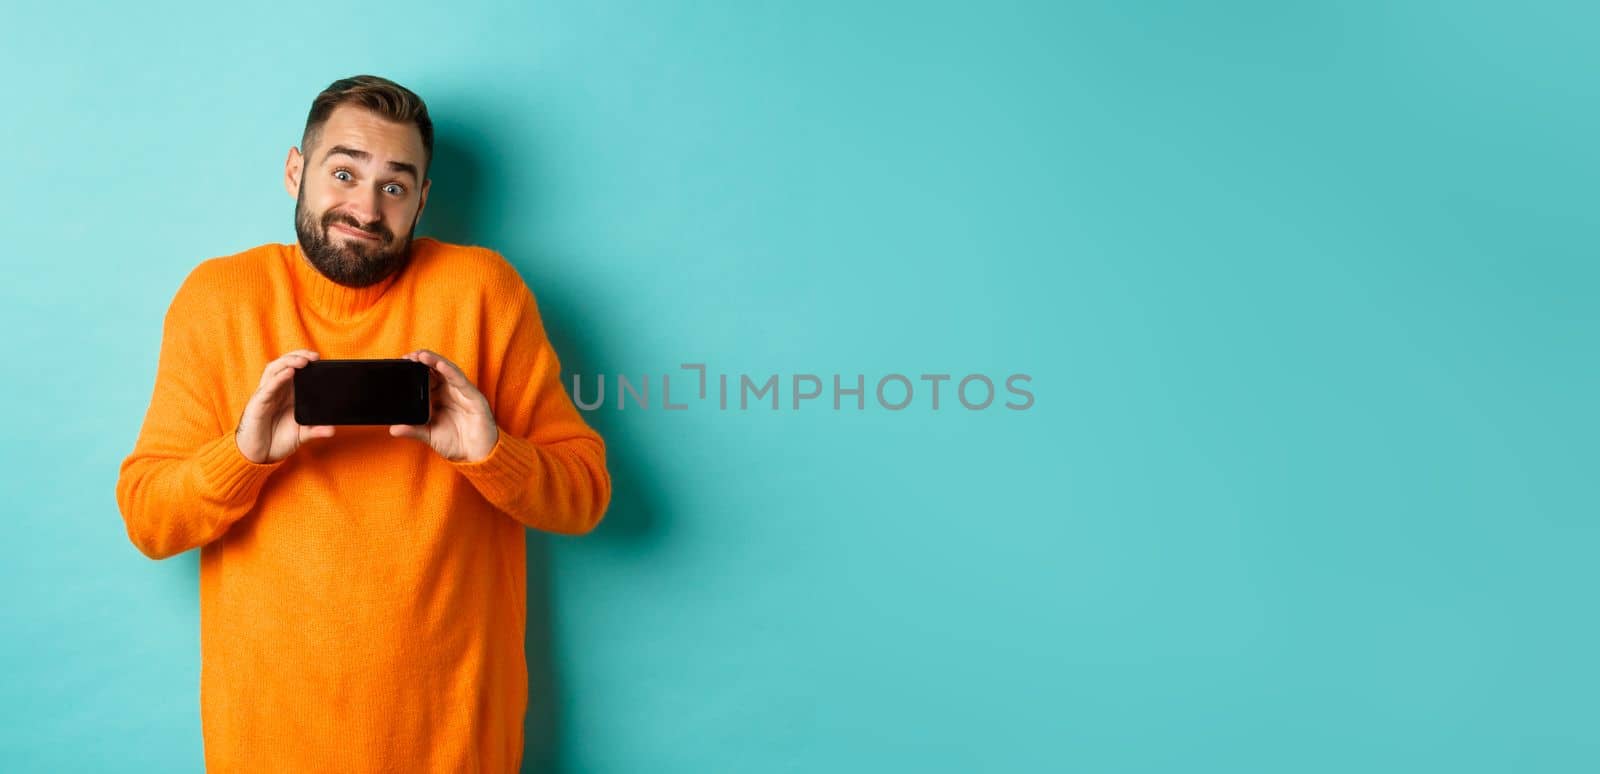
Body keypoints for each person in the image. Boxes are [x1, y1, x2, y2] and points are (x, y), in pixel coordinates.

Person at [114, 74, 612, 773]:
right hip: (271, 742)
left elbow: (586, 493)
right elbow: (148, 520)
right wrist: (243, 456)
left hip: (457, 738)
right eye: (344, 172)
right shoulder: (218, 300)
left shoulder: (482, 291)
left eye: (395, 186)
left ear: (423, 200)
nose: (365, 208)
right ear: (297, 170)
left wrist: (492, 453)